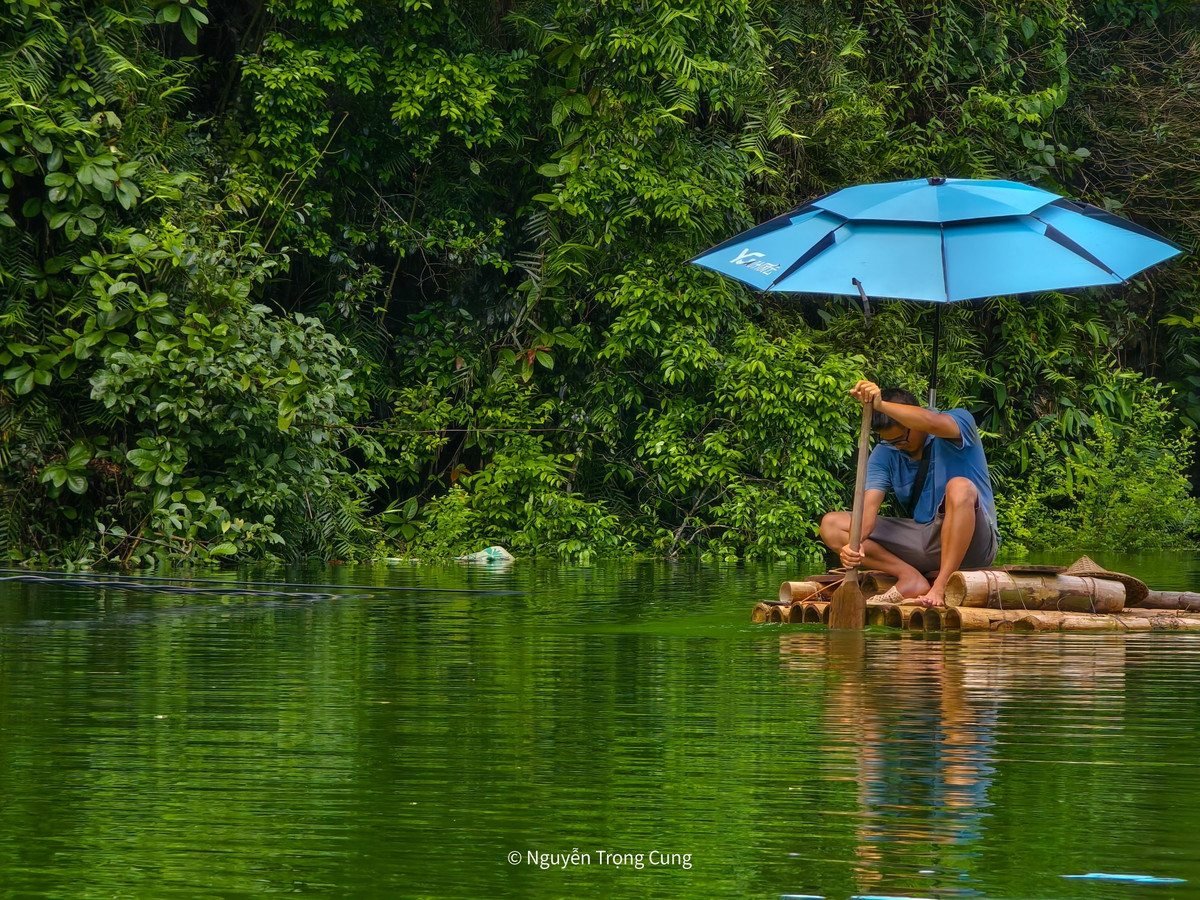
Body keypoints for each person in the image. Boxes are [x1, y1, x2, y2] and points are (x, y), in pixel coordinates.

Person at [819, 381, 998, 607]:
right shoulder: (886, 452)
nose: (898, 446)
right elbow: (868, 512)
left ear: (914, 421)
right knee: (832, 524)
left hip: (973, 546)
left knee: (960, 486)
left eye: (901, 439)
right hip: (925, 540)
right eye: (890, 442)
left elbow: (931, 421)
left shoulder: (958, 422)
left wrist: (881, 404)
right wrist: (854, 543)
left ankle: (940, 586)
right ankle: (910, 577)